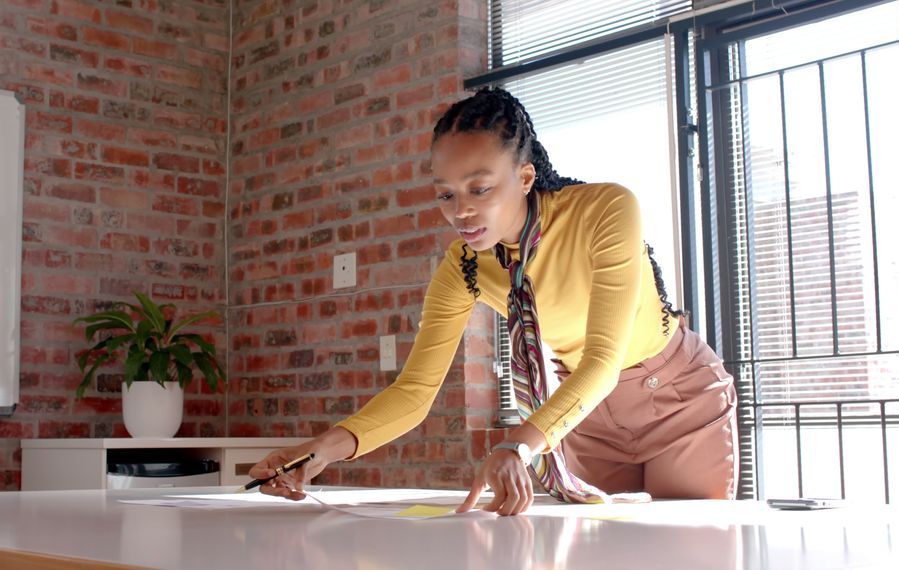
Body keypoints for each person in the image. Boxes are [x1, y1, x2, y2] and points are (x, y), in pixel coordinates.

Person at [248, 87, 738, 516]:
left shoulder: (604, 210)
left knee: (687, 549)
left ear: (525, 178)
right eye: (445, 195)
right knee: (602, 555)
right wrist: (320, 451)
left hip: (675, 398)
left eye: (480, 188)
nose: (461, 210)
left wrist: (518, 444)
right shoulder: (464, 267)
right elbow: (415, 391)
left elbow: (604, 360)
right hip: (586, 416)